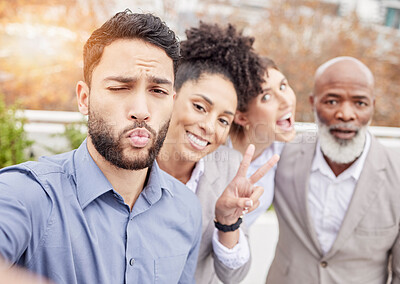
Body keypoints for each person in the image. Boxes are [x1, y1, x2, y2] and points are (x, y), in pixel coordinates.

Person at [0, 10, 202, 283]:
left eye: (158, 91)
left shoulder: (187, 208)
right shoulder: (29, 193)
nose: (141, 111)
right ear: (84, 98)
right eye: (120, 88)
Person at [157, 22, 279, 284]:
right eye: (200, 107)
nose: (209, 127)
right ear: (171, 96)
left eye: (224, 120)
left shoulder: (230, 169)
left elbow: (233, 274)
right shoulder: (133, 156)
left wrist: (227, 222)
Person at [267, 56, 400, 284]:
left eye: (360, 103)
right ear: (312, 102)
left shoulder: (396, 176)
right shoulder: (282, 154)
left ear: (373, 106)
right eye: (331, 101)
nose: (345, 114)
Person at [229, 57, 296, 226]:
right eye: (266, 97)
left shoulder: (281, 149)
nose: (286, 101)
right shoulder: (215, 154)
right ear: (242, 117)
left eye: (283, 86)